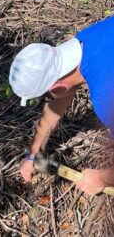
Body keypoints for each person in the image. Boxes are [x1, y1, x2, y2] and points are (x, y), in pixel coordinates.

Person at [9, 16, 114, 196]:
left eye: (45, 96)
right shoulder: (88, 38)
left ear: (56, 86)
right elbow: (56, 103)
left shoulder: (106, 97)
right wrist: (33, 154)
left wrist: (101, 179)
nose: (48, 100)